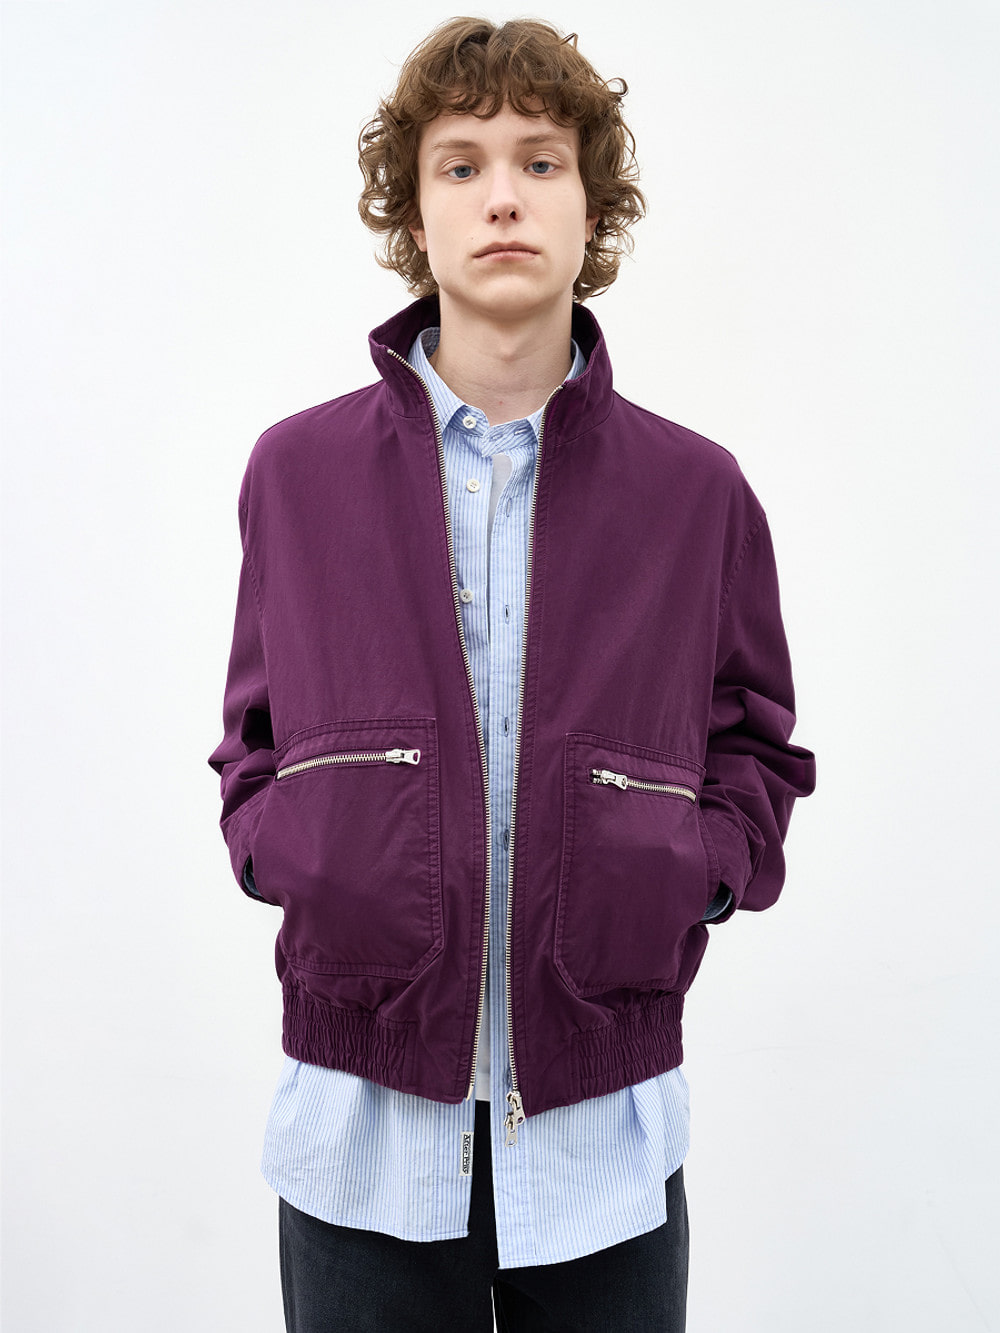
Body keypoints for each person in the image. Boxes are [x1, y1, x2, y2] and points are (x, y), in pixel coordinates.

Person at [208, 17, 816, 1332]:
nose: (502, 196)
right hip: (361, 1132)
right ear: (414, 213)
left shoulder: (696, 492)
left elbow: (756, 742)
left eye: (542, 162)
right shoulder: (295, 475)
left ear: (593, 207)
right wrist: (290, 853)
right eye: (462, 164)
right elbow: (253, 740)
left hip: (603, 1135)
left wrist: (693, 870)